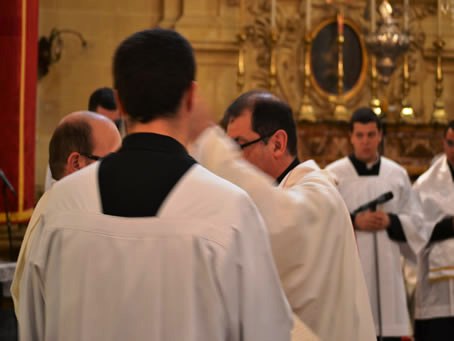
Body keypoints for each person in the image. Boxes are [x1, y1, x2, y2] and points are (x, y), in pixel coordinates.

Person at [18, 29, 292, 341]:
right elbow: (268, 332)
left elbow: (31, 326)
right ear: (190, 97)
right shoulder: (230, 211)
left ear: (119, 101)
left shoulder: (58, 207)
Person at [189, 90, 376, 341]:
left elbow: (279, 222)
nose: (235, 158)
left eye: (238, 146)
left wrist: (208, 141)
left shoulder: (319, 195)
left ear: (277, 143)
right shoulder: (288, 192)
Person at [326, 107, 426, 341]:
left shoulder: (397, 174)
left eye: (371, 135)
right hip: (353, 271)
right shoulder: (334, 175)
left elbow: (418, 222)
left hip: (389, 275)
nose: (365, 141)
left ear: (380, 136)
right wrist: (353, 221)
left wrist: (392, 220)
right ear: (350, 137)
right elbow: (324, 221)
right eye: (359, 135)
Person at [11, 111, 122, 315]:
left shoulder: (59, 207)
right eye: (112, 161)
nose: (119, 171)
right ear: (76, 163)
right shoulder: (64, 221)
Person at [412, 120, 454, 341]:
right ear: (444, 143)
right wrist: (448, 226)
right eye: (451, 143)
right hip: (437, 293)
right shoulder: (425, 185)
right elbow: (415, 230)